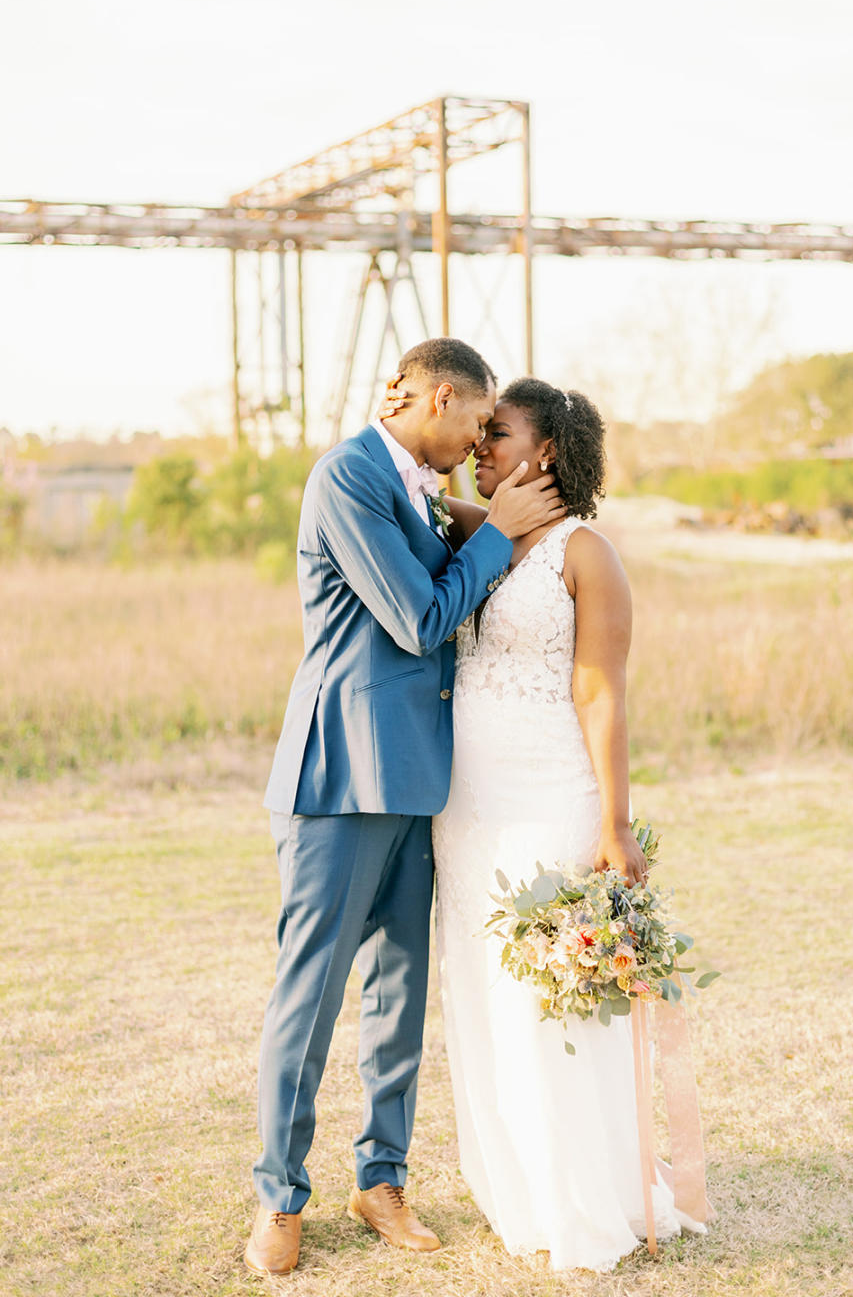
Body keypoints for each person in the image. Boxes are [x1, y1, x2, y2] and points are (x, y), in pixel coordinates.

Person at [244, 340, 565, 1278]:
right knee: (309, 998)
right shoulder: (347, 477)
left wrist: (507, 524)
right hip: (339, 782)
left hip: (419, 782)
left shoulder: (417, 485)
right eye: (473, 423)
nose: (475, 443)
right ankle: (278, 1196)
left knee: (399, 995)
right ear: (434, 397)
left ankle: (380, 1179)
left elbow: (450, 569)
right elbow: (419, 618)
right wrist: (498, 531)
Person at [388, 375, 708, 1270]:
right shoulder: (476, 533)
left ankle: (586, 1196)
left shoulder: (585, 552)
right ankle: (519, 1188)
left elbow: (600, 691)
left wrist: (615, 823)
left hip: (551, 794)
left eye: (499, 434)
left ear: (549, 452)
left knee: (545, 1001)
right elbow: (409, 484)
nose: (480, 446)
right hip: (468, 809)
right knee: (485, 996)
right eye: (478, 433)